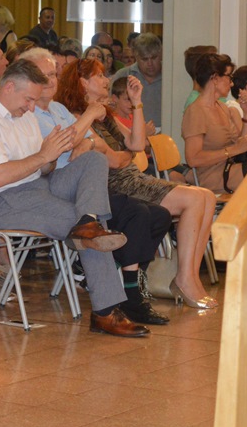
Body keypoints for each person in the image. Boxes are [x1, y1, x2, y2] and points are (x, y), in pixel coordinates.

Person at [0, 58, 149, 338]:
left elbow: (45, 167)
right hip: (2, 202)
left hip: (39, 185)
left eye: (34, 101)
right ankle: (105, 312)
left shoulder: (24, 116)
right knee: (89, 231)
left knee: (94, 160)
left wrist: (50, 156)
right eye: (29, 99)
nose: (31, 108)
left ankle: (88, 219)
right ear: (9, 88)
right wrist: (42, 156)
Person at [20, 50, 172, 324]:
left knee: (159, 215)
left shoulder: (58, 110)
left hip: (89, 184)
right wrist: (88, 122)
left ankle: (127, 277)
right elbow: (70, 148)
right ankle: (131, 295)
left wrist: (88, 141)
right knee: (137, 213)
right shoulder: (29, 115)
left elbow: (98, 144)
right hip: (59, 185)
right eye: (46, 75)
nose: (52, 80)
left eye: (54, 74)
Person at [55, 56, 218, 311]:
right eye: (100, 76)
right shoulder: (79, 115)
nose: (107, 80)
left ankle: (191, 277)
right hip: (114, 184)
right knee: (196, 199)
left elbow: (137, 144)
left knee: (207, 196)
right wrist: (125, 155)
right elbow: (114, 161)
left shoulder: (105, 113)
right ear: (83, 82)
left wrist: (137, 102)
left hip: (131, 177)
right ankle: (184, 278)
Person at [182, 53, 247, 193]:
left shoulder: (222, 108)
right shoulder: (196, 111)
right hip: (211, 176)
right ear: (215, 78)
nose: (232, 83)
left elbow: (243, 146)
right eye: (229, 77)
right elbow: (193, 159)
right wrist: (234, 150)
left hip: (231, 168)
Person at [111, 33, 163, 127]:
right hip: (130, 130)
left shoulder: (170, 77)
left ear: (161, 54)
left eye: (154, 58)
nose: (150, 63)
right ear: (136, 56)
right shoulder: (123, 75)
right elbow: (111, 107)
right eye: (144, 59)